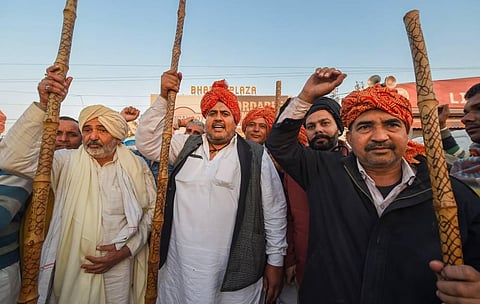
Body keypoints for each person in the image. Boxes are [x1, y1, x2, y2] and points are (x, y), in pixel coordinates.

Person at [266, 67, 480, 304]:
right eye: (365, 126)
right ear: (349, 136)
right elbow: (279, 143)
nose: (379, 136)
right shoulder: (325, 172)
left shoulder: (444, 191)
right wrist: (306, 97)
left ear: (407, 132)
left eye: (391, 125)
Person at [0, 65, 156, 304]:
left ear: (116, 135)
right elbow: (13, 160)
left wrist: (126, 250)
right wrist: (43, 105)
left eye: (102, 129)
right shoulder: (66, 161)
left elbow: (151, 212)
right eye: (88, 129)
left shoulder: (137, 166)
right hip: (72, 263)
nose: (93, 136)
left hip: (120, 266)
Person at [135, 71, 287, 304]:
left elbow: (274, 211)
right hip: (181, 263)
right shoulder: (186, 145)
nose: (218, 118)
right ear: (205, 118)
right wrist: (164, 98)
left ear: (235, 120)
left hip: (234, 263)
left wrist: (275, 261)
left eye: (225, 113)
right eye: (212, 113)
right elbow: (147, 142)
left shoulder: (255, 155)